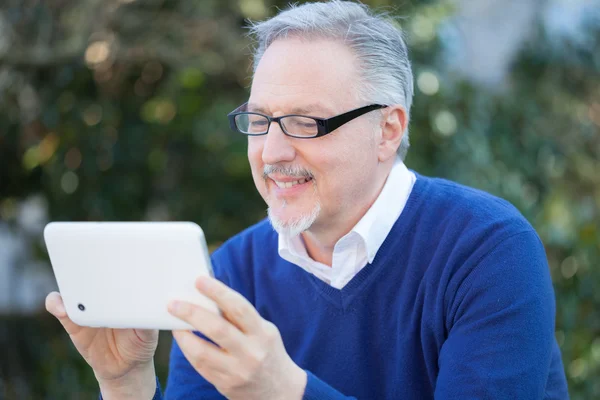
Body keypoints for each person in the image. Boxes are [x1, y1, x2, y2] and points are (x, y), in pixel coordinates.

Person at [45, 1, 570, 399]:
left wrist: (287, 390)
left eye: (305, 122)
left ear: (388, 130)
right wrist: (126, 384)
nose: (271, 151)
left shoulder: (488, 251)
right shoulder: (234, 273)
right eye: (260, 120)